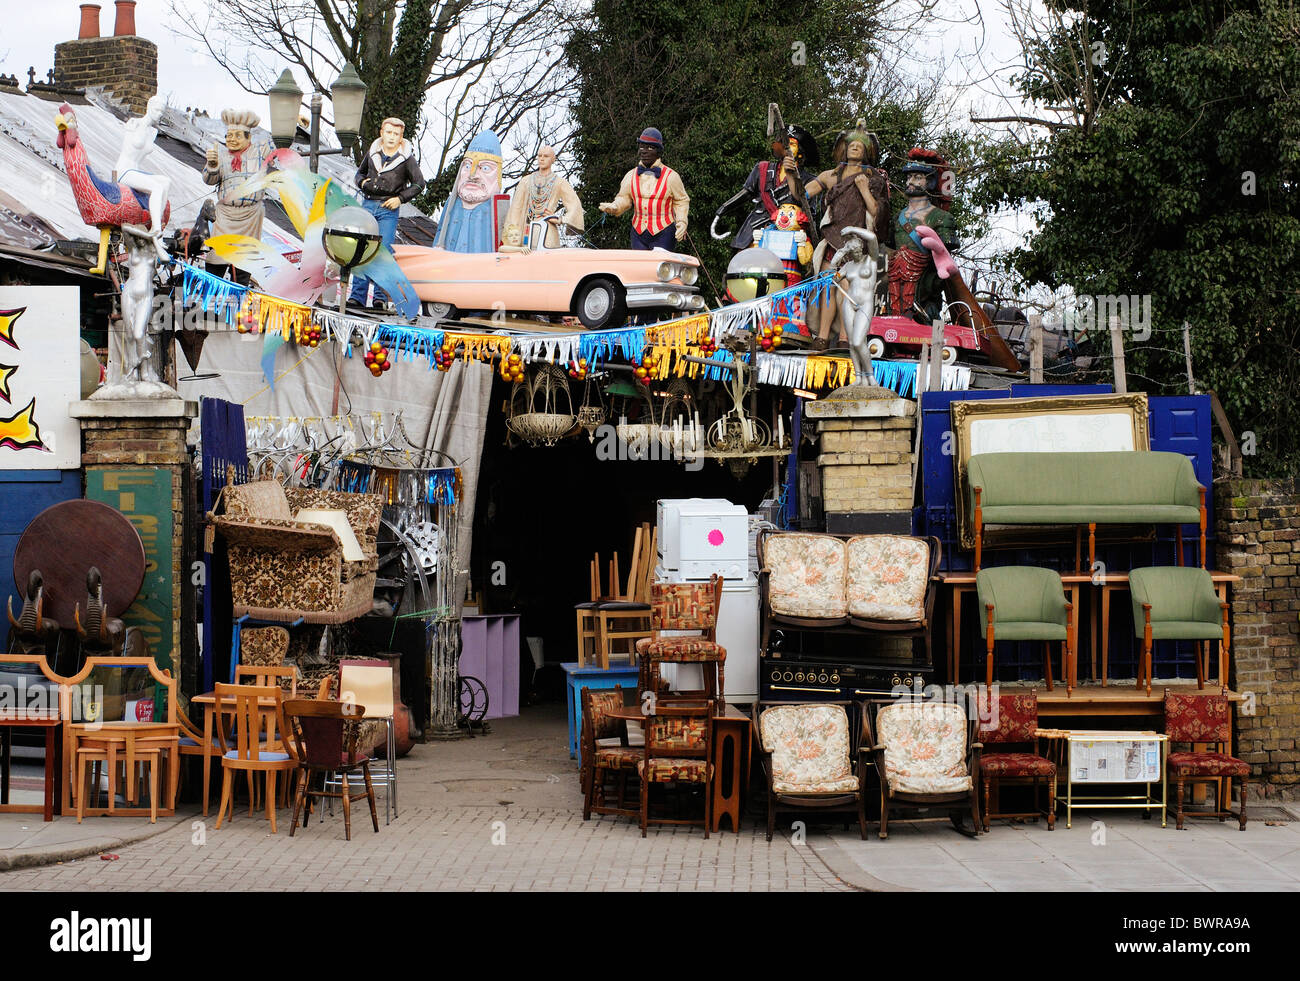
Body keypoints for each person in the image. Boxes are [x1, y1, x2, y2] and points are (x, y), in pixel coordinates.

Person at [785, 121, 891, 348]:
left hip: (857, 244)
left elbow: (877, 212)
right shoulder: (830, 176)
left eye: (860, 145)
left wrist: (864, 189)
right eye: (851, 144)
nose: (855, 148)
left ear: (867, 151)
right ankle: (822, 337)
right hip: (832, 240)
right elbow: (800, 195)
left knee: (847, 291)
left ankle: (845, 338)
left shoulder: (873, 179)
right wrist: (791, 173)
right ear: (843, 148)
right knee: (827, 287)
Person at [351, 117, 426, 308]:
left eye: (396, 134)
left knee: (383, 252)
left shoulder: (406, 159)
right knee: (362, 249)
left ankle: (380, 297)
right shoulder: (373, 153)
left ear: (401, 138)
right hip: (367, 205)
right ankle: (357, 296)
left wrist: (400, 199)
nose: (392, 137)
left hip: (387, 209)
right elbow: (359, 174)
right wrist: (362, 183)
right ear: (381, 133)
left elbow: (419, 183)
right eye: (389, 132)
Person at [712, 123, 820, 251]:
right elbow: (746, 192)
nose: (787, 147)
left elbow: (810, 214)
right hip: (757, 228)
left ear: (800, 151)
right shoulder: (763, 168)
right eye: (784, 143)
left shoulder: (810, 180)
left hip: (787, 235)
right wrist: (723, 209)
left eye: (792, 144)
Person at [202, 109, 274, 284]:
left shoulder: (260, 151)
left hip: (250, 217)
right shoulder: (220, 155)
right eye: (228, 135)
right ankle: (208, 303)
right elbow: (209, 180)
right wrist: (211, 165)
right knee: (215, 262)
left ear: (248, 138)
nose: (231, 139)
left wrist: (293, 123)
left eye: (236, 135)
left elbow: (281, 141)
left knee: (243, 265)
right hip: (225, 216)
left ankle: (237, 300)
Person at [887, 148, 958, 323]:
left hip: (927, 289)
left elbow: (945, 255)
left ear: (931, 182)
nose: (911, 181)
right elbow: (888, 247)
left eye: (918, 177)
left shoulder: (942, 218)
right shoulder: (897, 218)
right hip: (895, 285)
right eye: (909, 177)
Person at [599, 127, 689, 251]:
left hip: (663, 231)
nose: (644, 151)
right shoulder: (630, 175)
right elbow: (624, 198)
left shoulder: (671, 177)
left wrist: (682, 222)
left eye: (650, 148)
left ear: (658, 151)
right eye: (641, 147)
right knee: (640, 267)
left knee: (660, 267)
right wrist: (615, 207)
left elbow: (681, 201)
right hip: (638, 232)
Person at [113, 94, 171, 261]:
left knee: (165, 182)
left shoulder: (153, 132)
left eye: (162, 111)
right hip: (123, 171)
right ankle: (156, 229)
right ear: (149, 107)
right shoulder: (134, 123)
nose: (159, 113)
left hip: (136, 171)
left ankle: (156, 228)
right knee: (157, 187)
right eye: (157, 109)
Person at [433, 129, 502, 255]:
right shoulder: (452, 202)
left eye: (485, 168)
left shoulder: (498, 207)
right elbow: (441, 230)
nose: (473, 175)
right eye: (468, 166)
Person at [503, 145, 583, 250]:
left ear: (553, 159)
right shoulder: (526, 181)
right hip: (527, 229)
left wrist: (560, 219)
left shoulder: (560, 182)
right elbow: (515, 210)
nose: (542, 158)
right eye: (539, 155)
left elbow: (575, 205)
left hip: (548, 231)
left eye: (546, 156)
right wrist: (511, 236)